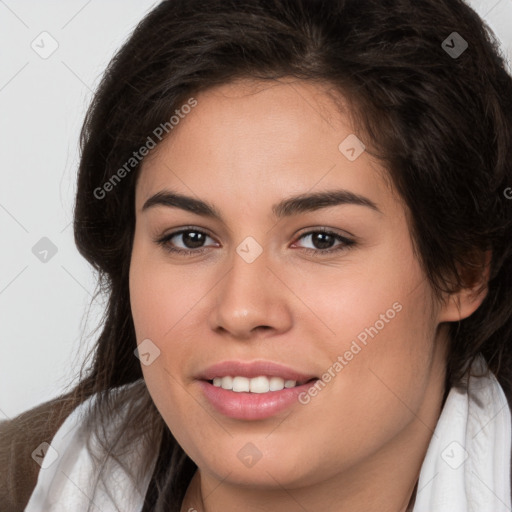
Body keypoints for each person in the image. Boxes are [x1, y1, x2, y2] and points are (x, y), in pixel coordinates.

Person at [1, 0, 512, 510]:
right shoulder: (21, 478)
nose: (241, 310)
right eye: (190, 238)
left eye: (321, 239)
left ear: (461, 270)